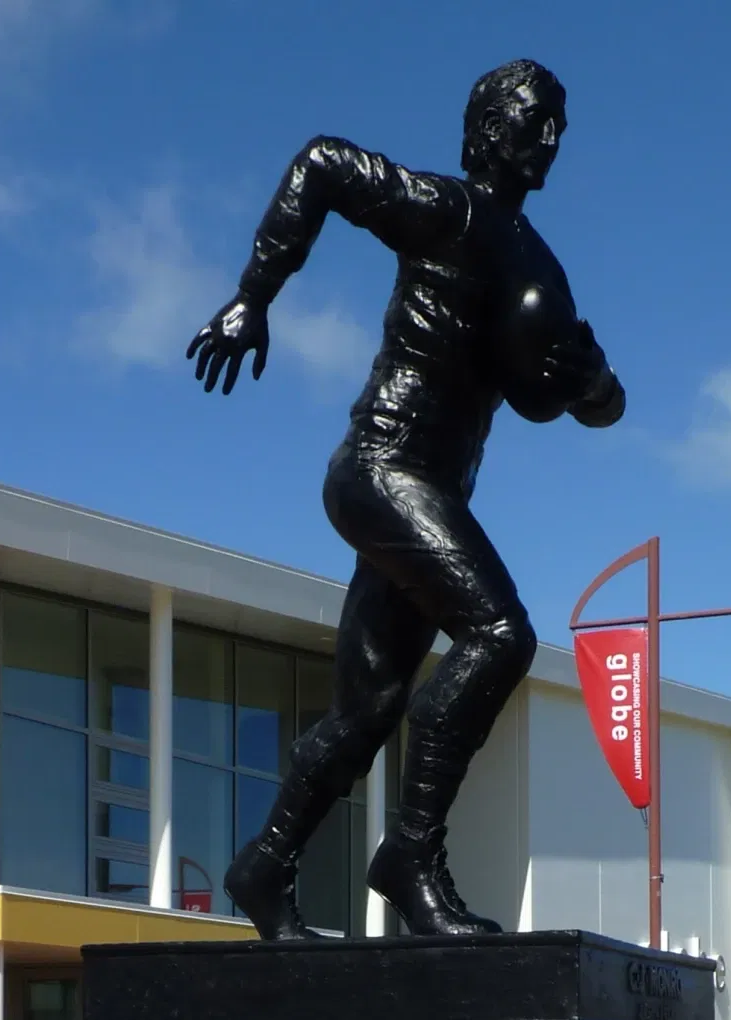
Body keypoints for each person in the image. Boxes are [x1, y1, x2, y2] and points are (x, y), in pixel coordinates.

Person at [187, 57, 625, 940]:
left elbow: (568, 399)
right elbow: (320, 163)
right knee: (499, 633)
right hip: (383, 468)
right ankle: (411, 854)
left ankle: (263, 866)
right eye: (534, 119)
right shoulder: (447, 210)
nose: (548, 139)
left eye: (558, 128)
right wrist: (250, 299)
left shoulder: (533, 255)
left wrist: (596, 386)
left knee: (366, 712)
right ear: (489, 126)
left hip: (429, 490)